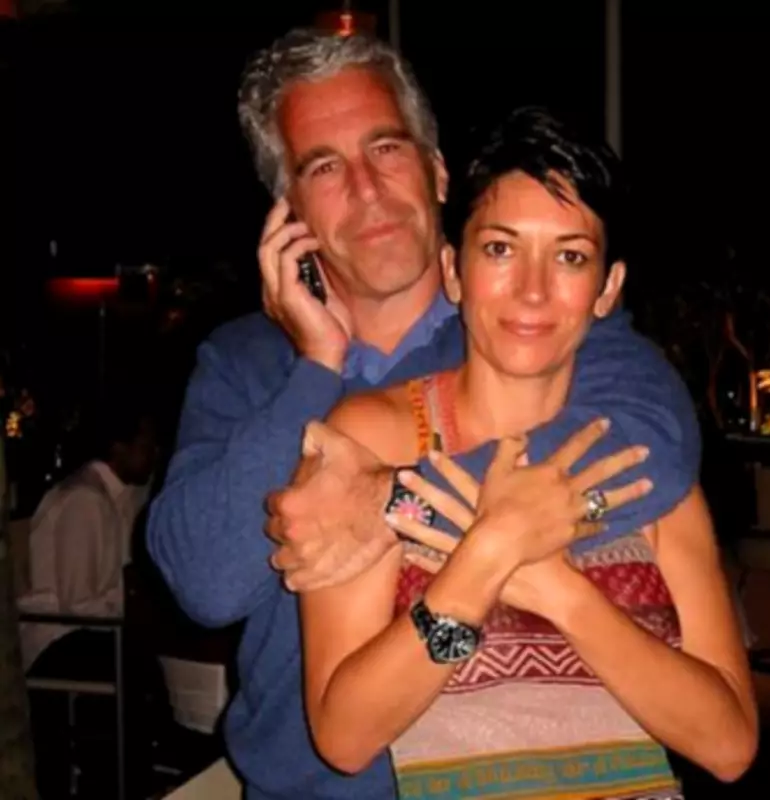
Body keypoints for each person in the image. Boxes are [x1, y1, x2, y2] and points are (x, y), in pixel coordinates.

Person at [146, 28, 700, 799]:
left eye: (386, 148)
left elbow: (656, 452)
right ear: (289, 209)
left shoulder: (531, 322)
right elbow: (207, 583)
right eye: (324, 167)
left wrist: (390, 499)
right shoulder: (245, 363)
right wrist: (315, 367)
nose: (367, 188)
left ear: (437, 170)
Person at [292, 106, 757, 799]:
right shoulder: (374, 442)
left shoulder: (635, 454)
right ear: (453, 271)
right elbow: (344, 735)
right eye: (501, 250)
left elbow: (729, 745)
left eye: (570, 257)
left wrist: (558, 591)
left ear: (607, 289)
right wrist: (484, 559)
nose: (533, 290)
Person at [18, 400, 158, 798]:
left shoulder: (122, 498)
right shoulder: (84, 499)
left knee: (143, 660)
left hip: (86, 631)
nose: (153, 453)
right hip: (54, 637)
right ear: (118, 448)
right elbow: (78, 605)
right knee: (131, 664)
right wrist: (132, 605)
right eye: (146, 444)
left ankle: (131, 777)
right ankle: (116, 782)